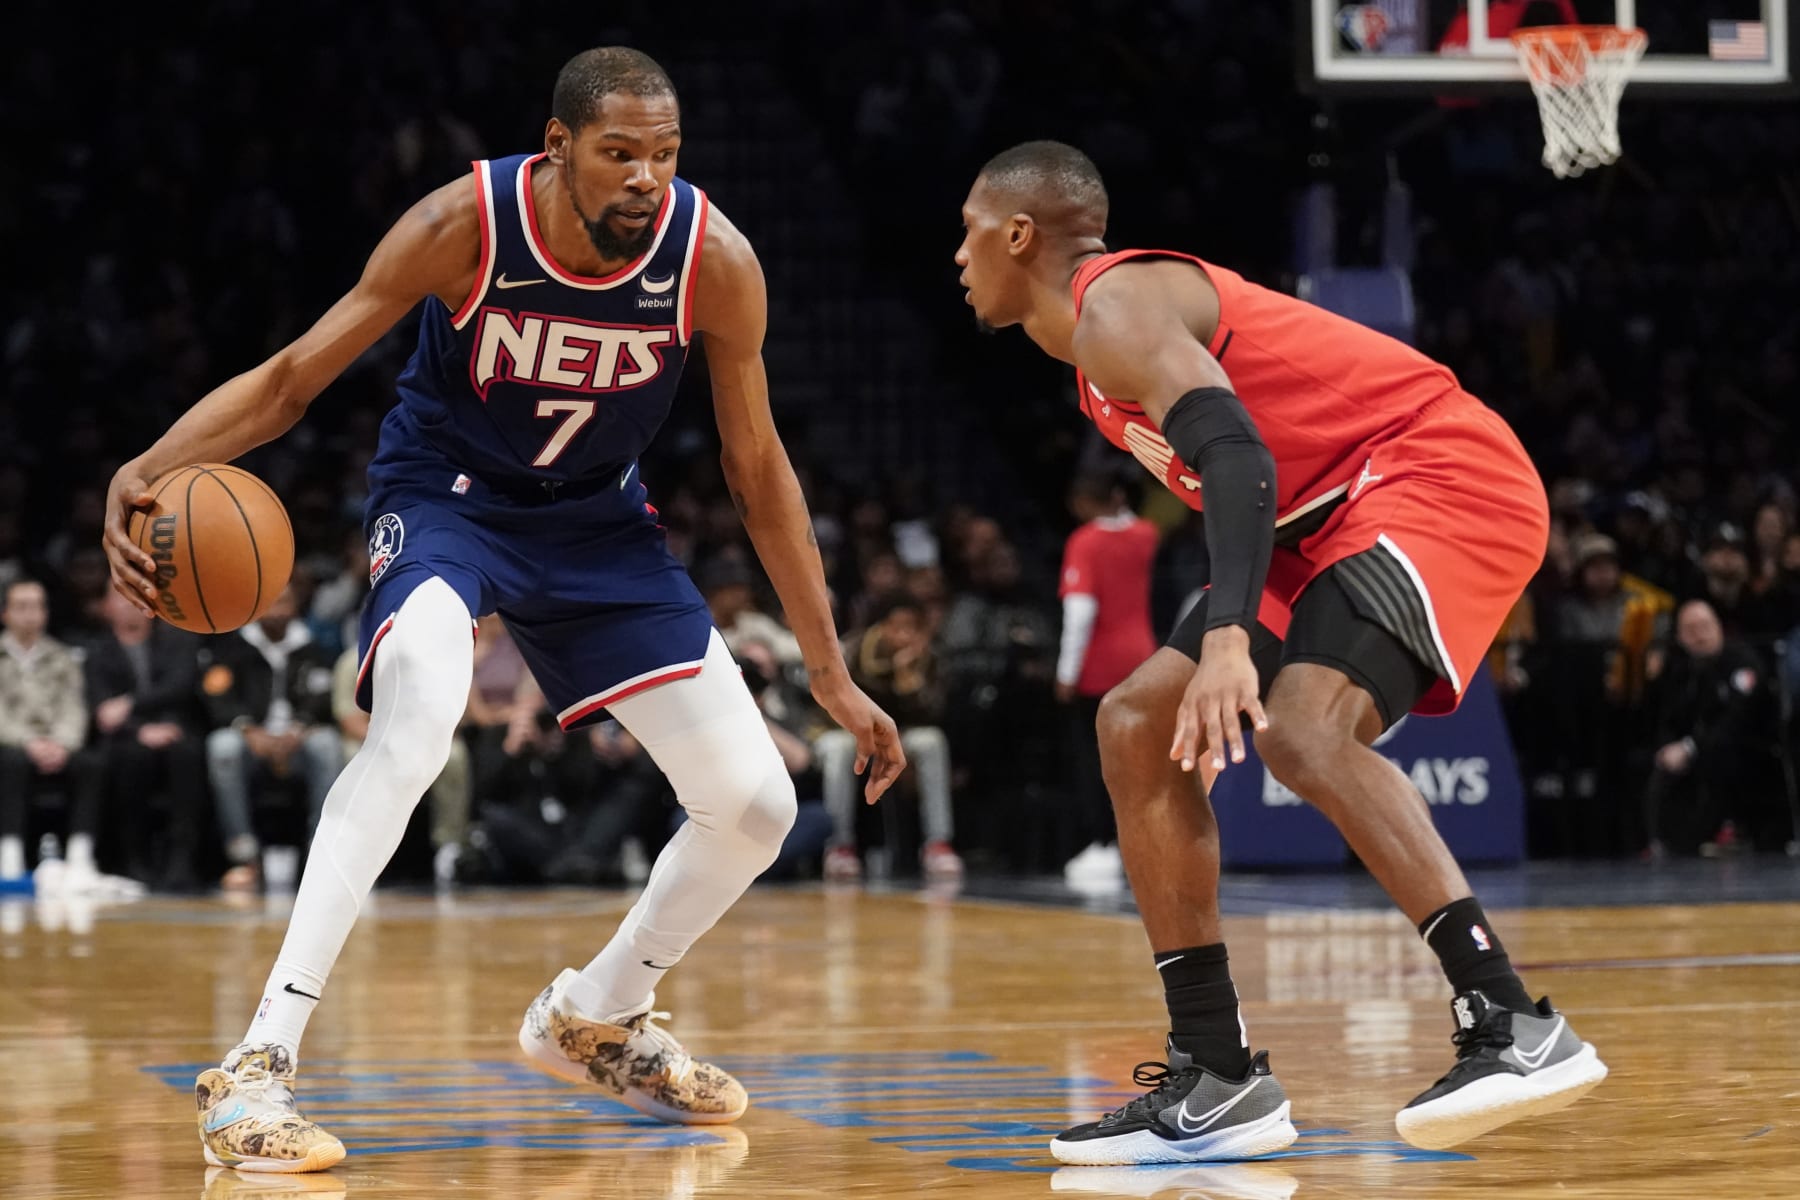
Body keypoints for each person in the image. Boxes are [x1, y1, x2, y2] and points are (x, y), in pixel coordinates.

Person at [102, 47, 903, 1173]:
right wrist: (145, 466)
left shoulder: (714, 261)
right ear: (559, 146)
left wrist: (828, 669)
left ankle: (598, 1014)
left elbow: (758, 469)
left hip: (598, 526)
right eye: (619, 153)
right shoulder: (461, 226)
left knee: (757, 804)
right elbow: (292, 380)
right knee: (422, 712)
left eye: (664, 157)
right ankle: (257, 1066)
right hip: (450, 502)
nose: (644, 180)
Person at [954, 141, 1603, 1164]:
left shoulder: (1112, 304)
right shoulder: (1090, 361)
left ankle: (1513, 1020)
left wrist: (1224, 639)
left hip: (1429, 470)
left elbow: (1237, 453)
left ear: (1020, 234)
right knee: (1134, 723)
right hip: (1320, 521)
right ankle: (1217, 1073)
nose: (959, 255)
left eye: (970, 231)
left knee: (1305, 731)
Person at [198, 583, 341, 892]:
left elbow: (323, 696)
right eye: (270, 604)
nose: (277, 611)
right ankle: (244, 857)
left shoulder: (311, 647)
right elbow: (216, 694)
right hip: (251, 743)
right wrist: (247, 729)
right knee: (222, 746)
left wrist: (299, 729)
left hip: (298, 743)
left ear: (296, 607)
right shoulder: (233, 646)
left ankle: (322, 853)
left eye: (284, 603)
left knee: (327, 744)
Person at [1056, 471, 1158, 888]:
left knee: (1096, 763)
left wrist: (1066, 673)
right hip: (1143, 658)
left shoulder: (1085, 542)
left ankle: (1103, 842)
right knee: (1140, 760)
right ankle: (1144, 840)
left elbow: (1079, 612)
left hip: (1098, 668)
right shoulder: (1146, 535)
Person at [83, 588, 207, 890]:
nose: (130, 604)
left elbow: (180, 686)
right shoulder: (97, 651)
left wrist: (129, 705)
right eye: (121, 596)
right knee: (130, 758)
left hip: (173, 728)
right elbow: (100, 710)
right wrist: (139, 729)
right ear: (106, 606)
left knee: (187, 754)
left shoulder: (176, 640)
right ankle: (134, 860)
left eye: (137, 595)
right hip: (126, 737)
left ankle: (182, 860)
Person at [1644, 599, 1773, 858]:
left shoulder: (1742, 662)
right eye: (1690, 629)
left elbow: (1736, 720)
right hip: (1698, 746)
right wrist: (1668, 747)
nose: (1700, 635)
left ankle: (1729, 828)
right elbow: (1669, 718)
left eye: (1705, 626)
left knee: (1721, 752)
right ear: (1679, 637)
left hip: (1748, 747)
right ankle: (1659, 839)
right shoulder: (1682, 670)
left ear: (1719, 627)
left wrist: (1689, 748)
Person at [0, 579, 102, 891]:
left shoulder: (62, 657)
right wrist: (29, 742)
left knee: (92, 764)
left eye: (37, 606)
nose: (31, 614)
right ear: (5, 613)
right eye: (22, 607)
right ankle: (10, 852)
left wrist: (61, 744)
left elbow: (74, 708)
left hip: (57, 744)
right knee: (12, 763)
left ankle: (80, 853)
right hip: (13, 743)